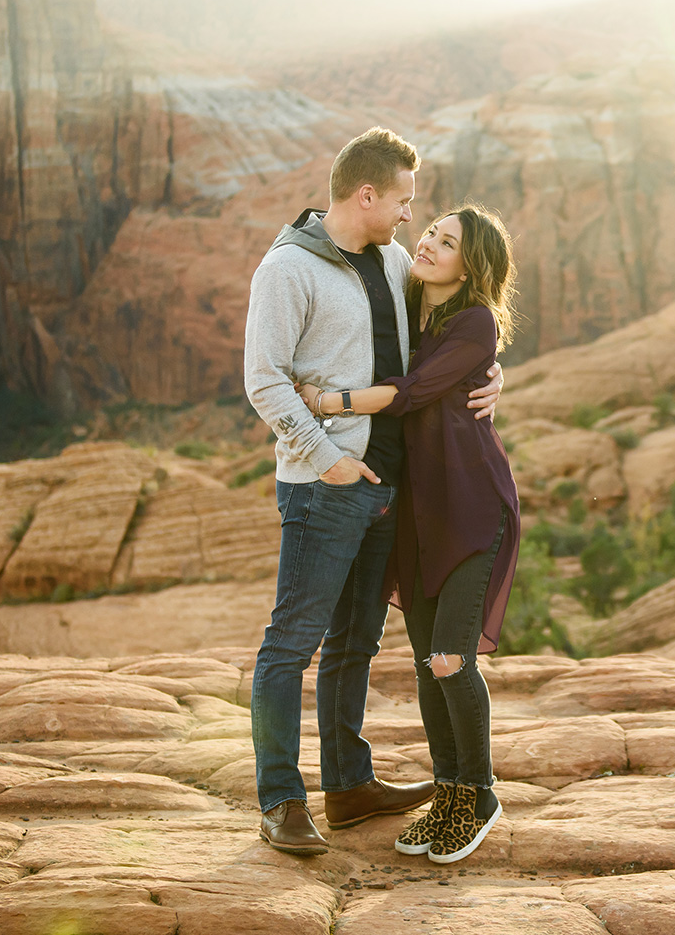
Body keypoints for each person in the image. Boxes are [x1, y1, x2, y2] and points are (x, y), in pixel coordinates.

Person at [243, 128, 503, 855]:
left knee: (355, 641)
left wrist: (493, 376)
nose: (408, 218)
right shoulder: (287, 269)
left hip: (390, 485)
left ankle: (349, 785)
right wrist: (326, 457)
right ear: (366, 195)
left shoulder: (392, 262)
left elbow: (452, 337)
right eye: (401, 201)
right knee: (290, 645)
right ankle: (280, 799)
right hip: (327, 485)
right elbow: (264, 382)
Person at [295, 203, 521, 865]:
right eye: (430, 231)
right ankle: (448, 792)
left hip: (472, 506)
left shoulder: (474, 318)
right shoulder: (408, 296)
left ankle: (478, 793)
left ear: (471, 263)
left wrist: (327, 401)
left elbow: (414, 388)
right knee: (428, 664)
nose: (427, 242)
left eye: (446, 242)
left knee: (452, 656)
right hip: (417, 513)